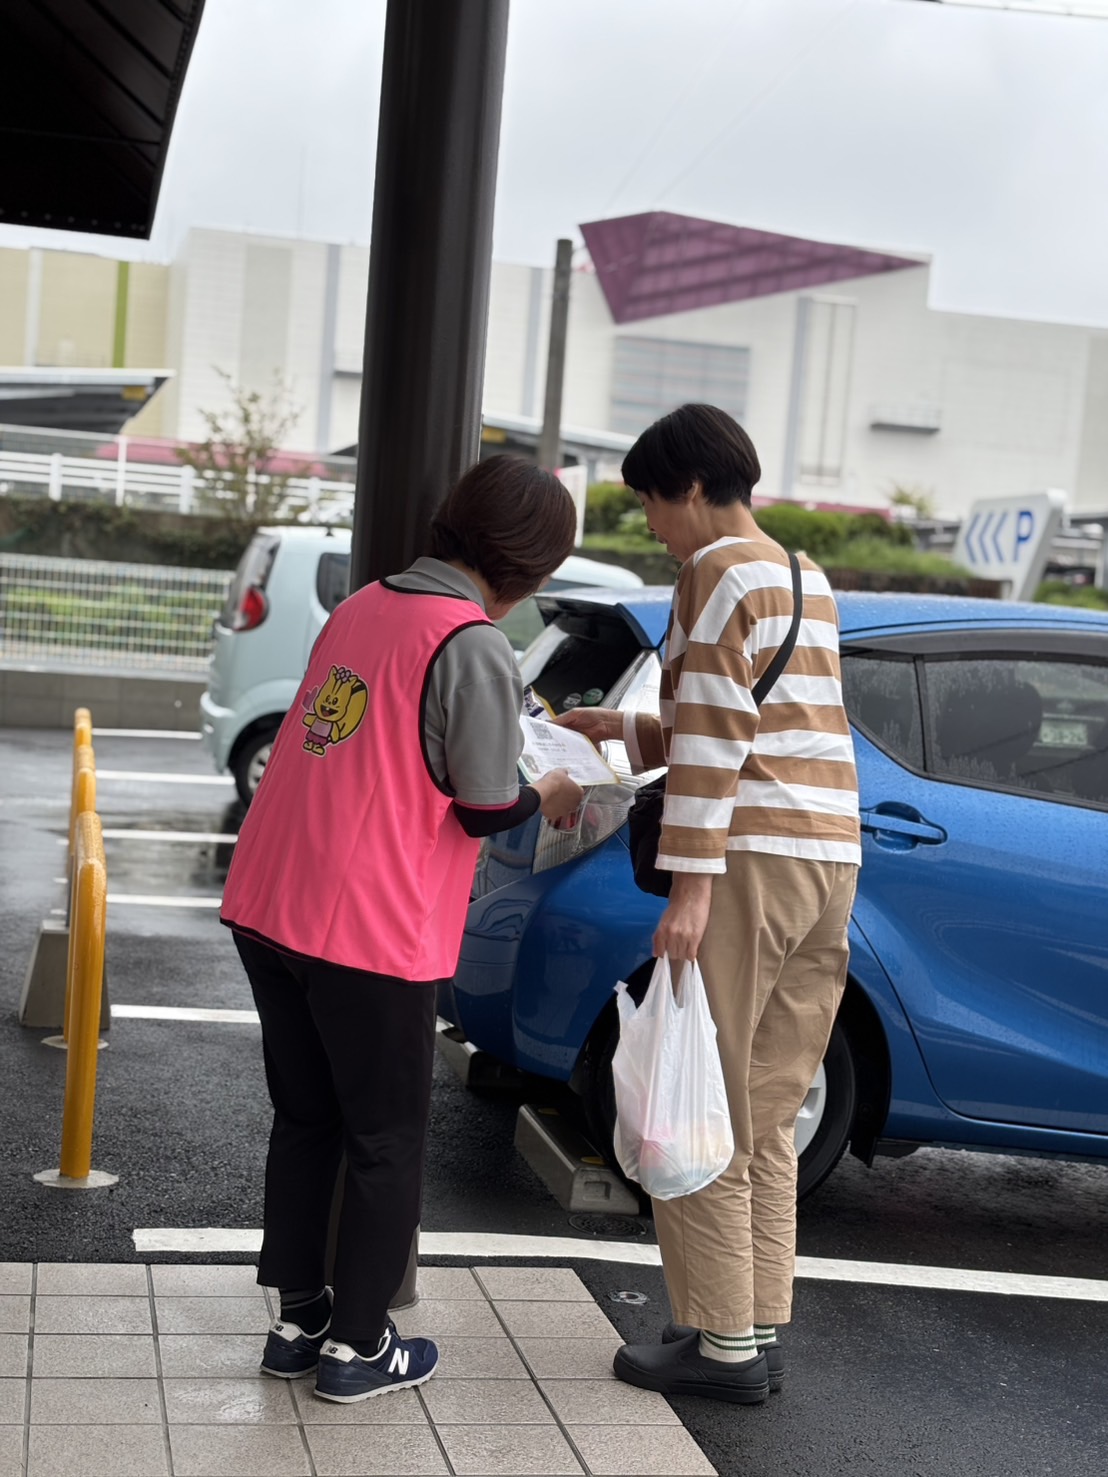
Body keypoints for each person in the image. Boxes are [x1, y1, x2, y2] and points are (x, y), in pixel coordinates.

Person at [220, 456, 583, 1403]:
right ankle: (359, 1347)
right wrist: (551, 789)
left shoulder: (362, 606)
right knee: (385, 1136)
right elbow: (485, 803)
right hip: (367, 928)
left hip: (271, 902)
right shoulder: (471, 640)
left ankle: (299, 1321)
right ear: (527, 566)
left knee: (308, 1118)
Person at [560, 404, 860, 1405]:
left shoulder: (711, 570)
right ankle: (754, 1321)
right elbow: (748, 724)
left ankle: (720, 1346)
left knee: (705, 1094)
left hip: (747, 864)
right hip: (828, 863)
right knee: (767, 1106)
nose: (652, 526)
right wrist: (625, 728)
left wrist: (690, 891)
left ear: (689, 488)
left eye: (651, 502)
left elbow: (718, 741)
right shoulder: (802, 574)